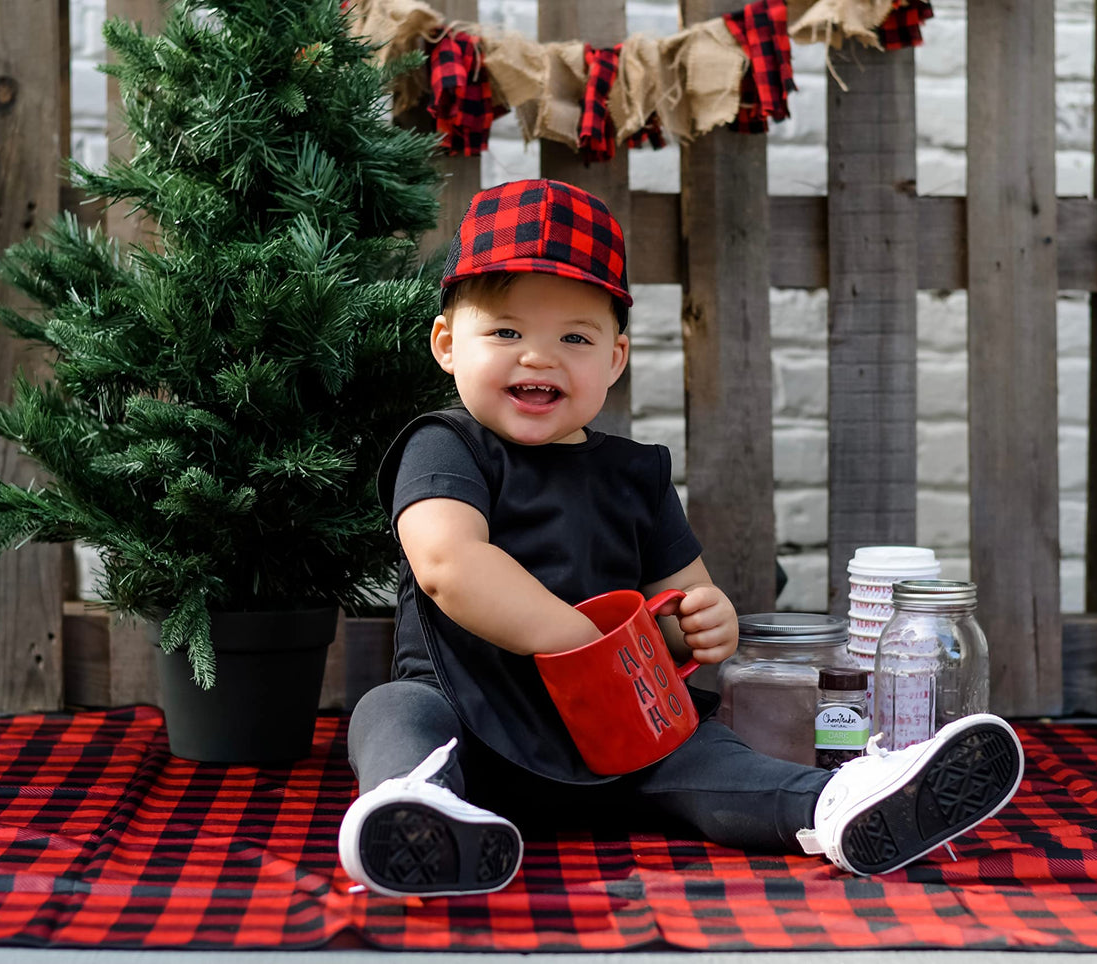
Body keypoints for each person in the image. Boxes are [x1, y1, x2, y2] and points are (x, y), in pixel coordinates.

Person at [338, 179, 1024, 898]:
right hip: (470, 729)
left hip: (618, 736)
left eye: (574, 337)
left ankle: (837, 805)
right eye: (506, 333)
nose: (538, 357)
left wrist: (702, 622)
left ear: (614, 358)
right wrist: (583, 643)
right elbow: (449, 564)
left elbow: (679, 608)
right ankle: (419, 806)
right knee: (394, 710)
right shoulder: (446, 446)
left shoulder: (635, 476)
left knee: (708, 752)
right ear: (447, 345)